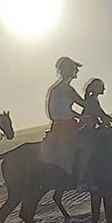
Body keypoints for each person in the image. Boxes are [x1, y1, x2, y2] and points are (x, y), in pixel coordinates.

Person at [44, 56, 88, 187]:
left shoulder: (55, 88)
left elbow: (62, 110)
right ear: (67, 70)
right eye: (74, 68)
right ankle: (79, 180)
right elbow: (85, 105)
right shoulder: (66, 89)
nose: (76, 71)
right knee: (86, 147)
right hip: (66, 128)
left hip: (58, 126)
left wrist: (80, 117)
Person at [76, 77, 112, 185]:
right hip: (87, 130)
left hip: (92, 129)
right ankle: (83, 178)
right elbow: (102, 115)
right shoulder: (91, 99)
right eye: (102, 86)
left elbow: (102, 116)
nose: (104, 88)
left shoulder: (93, 98)